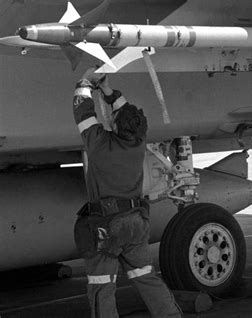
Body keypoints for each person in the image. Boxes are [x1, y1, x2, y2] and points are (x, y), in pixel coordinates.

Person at [72, 67, 182, 318]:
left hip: (107, 227)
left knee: (103, 288)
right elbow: (129, 116)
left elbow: (83, 111)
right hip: (135, 222)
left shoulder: (100, 144)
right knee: (146, 278)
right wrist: (107, 90)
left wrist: (84, 82)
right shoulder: (138, 139)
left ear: (113, 124)